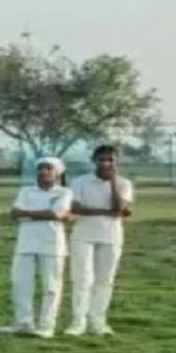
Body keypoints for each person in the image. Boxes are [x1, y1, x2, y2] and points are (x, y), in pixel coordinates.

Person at [0, 156, 73, 338]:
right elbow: (15, 213)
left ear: (57, 173)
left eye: (48, 168)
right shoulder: (26, 191)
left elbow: (57, 214)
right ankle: (24, 322)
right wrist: (44, 214)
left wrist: (29, 213)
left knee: (51, 286)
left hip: (52, 244)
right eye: (40, 168)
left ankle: (46, 325)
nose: (43, 172)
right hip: (26, 243)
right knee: (21, 284)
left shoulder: (64, 192)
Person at [65, 144, 134, 336]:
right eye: (102, 159)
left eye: (110, 160)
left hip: (111, 236)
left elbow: (119, 208)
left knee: (105, 280)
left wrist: (112, 182)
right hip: (83, 235)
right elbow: (76, 208)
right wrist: (107, 212)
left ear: (116, 162)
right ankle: (78, 322)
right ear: (94, 160)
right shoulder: (80, 182)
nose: (105, 163)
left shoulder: (124, 184)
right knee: (82, 279)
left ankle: (98, 322)